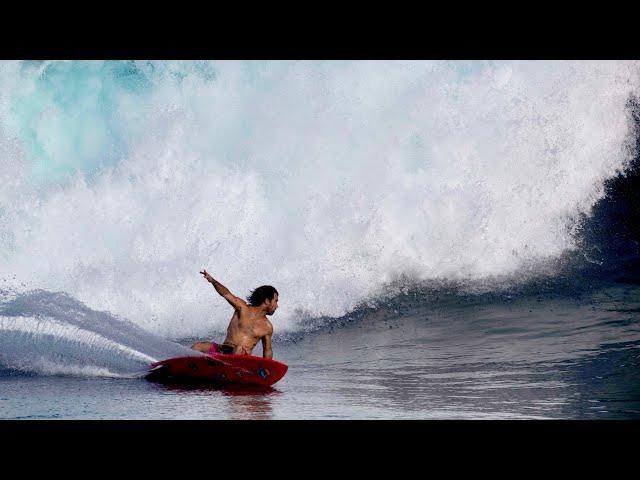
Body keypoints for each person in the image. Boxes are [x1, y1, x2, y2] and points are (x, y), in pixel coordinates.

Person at [191, 269, 278, 358]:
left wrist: (268, 369)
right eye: (275, 301)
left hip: (242, 357)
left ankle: (227, 367)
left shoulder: (267, 327)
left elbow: (267, 350)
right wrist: (213, 281)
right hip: (223, 350)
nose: (277, 306)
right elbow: (226, 293)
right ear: (267, 301)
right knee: (197, 346)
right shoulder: (242, 308)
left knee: (238, 349)